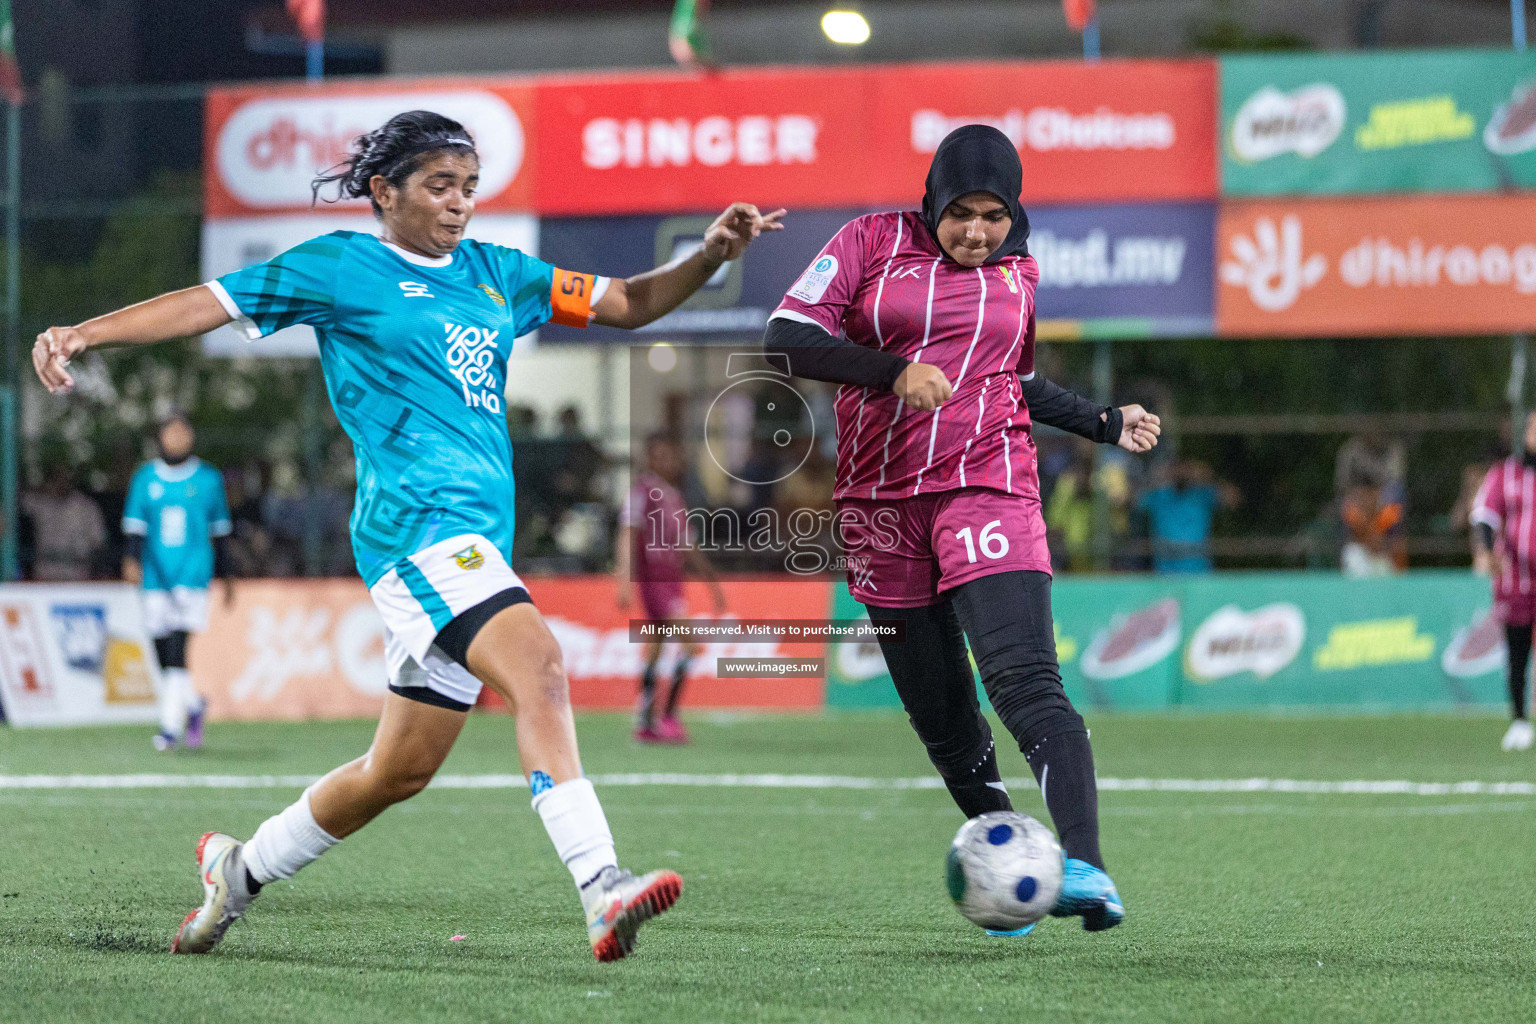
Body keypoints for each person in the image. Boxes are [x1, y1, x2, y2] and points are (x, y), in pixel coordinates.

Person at [33, 109, 784, 961]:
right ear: (384, 192)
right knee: (539, 666)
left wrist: (711, 256)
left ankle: (237, 873)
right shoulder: (340, 266)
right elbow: (204, 307)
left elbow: (627, 303)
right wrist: (82, 333)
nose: (460, 204)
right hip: (413, 534)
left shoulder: (500, 273)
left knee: (398, 772)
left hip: (473, 545)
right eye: (439, 186)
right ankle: (601, 885)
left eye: (468, 187)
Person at [763, 124, 1159, 937]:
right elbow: (786, 336)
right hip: (878, 506)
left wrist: (1103, 421)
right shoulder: (870, 242)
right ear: (932, 201)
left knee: (1023, 681)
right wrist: (891, 369)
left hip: (986, 485)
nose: (978, 231)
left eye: (994, 215)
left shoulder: (1020, 273)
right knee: (943, 718)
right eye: (961, 214)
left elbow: (1010, 382)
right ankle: (1008, 858)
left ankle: (1083, 865)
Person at [123, 414, 235, 751]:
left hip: (193, 575)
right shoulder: (145, 478)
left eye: (184, 431)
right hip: (155, 577)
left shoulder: (208, 479)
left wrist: (227, 577)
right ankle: (193, 705)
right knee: (162, 651)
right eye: (171, 432)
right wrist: (130, 561)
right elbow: (134, 528)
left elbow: (221, 533)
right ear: (159, 437)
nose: (178, 437)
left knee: (177, 647)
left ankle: (170, 727)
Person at [615, 433, 726, 744]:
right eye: (661, 455)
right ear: (649, 458)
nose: (669, 461)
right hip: (655, 581)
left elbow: (687, 545)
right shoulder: (642, 492)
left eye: (672, 455)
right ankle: (668, 717)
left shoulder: (672, 496)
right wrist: (624, 580)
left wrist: (712, 584)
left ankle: (647, 721)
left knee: (655, 647)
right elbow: (627, 534)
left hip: (673, 581)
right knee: (689, 646)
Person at [1471, 411, 1536, 752]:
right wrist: (1484, 550)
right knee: (1517, 651)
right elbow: (1485, 514)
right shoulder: (1505, 474)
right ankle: (1520, 720)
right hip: (1516, 579)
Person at [1137, 459, 1240, 574]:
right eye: (1177, 469)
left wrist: (1209, 476)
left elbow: (1233, 498)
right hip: (1165, 569)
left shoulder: (1202, 494)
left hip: (1199, 569)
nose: (1181, 473)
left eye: (1185, 469)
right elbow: (1125, 500)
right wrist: (1155, 476)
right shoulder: (1158, 495)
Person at [21, 473, 105, 581]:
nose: (60, 482)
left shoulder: (86, 506)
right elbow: (17, 499)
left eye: (64, 478)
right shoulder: (41, 502)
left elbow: (98, 541)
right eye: (56, 478)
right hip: (45, 572)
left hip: (77, 573)